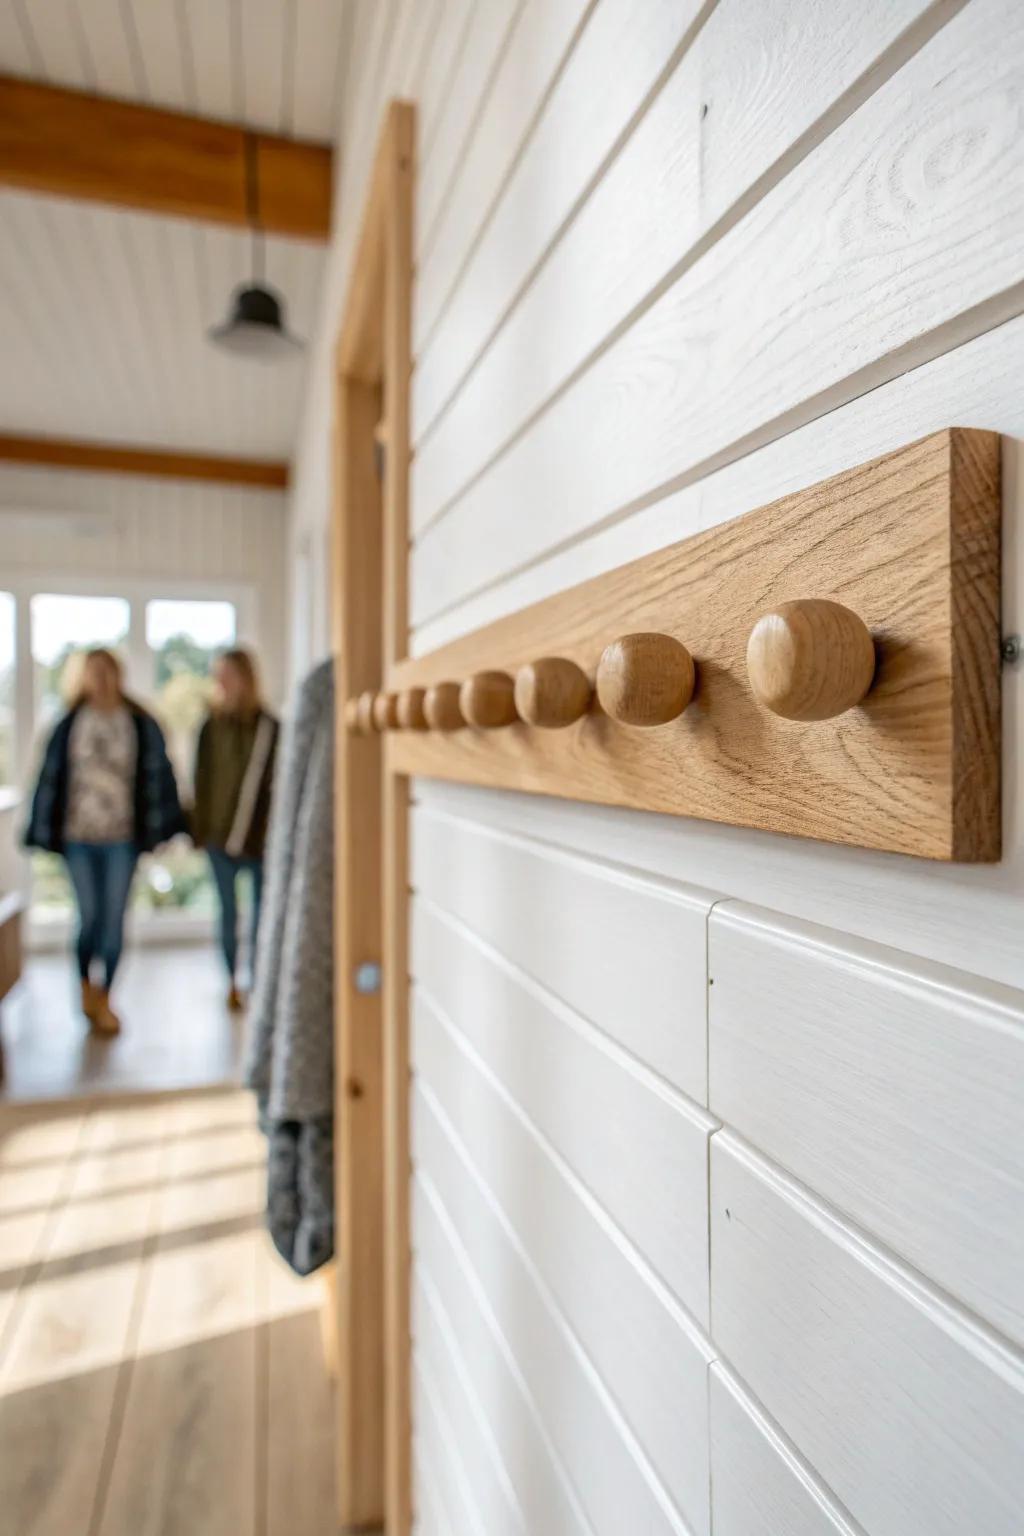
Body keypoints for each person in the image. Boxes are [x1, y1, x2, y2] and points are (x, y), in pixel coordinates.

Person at [24, 648, 186, 1036]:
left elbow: (160, 778)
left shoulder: (140, 723)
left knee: (113, 923)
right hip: (79, 837)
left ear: (118, 674)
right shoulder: (68, 723)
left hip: (123, 838)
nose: (100, 680)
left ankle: (106, 995)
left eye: (106, 672)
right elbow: (49, 781)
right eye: (92, 672)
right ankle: (84, 985)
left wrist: (166, 826)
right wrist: (42, 829)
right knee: (89, 918)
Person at [192, 648, 278, 1011]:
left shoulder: (269, 728)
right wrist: (200, 831)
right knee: (227, 913)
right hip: (218, 836)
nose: (222, 683)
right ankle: (231, 981)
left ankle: (257, 981)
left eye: (228, 675)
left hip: (259, 840)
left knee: (261, 915)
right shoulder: (210, 726)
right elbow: (201, 781)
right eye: (219, 675)